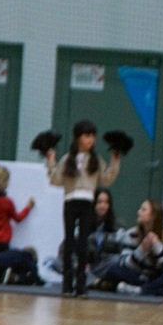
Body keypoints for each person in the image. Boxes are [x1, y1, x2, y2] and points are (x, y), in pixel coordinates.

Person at [44, 120, 121, 297]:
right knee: (69, 242)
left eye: (93, 136)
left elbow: (106, 180)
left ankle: (81, 285)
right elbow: (56, 180)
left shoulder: (96, 160)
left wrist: (115, 162)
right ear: (78, 137)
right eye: (87, 136)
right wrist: (51, 161)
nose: (91, 139)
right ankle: (66, 284)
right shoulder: (67, 159)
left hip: (87, 204)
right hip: (70, 202)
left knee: (83, 244)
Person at [100, 200, 163, 297]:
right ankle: (157, 289)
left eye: (143, 210)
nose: (139, 212)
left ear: (153, 216)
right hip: (136, 275)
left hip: (156, 276)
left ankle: (138, 290)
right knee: (113, 270)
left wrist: (157, 246)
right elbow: (125, 263)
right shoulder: (132, 234)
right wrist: (141, 250)